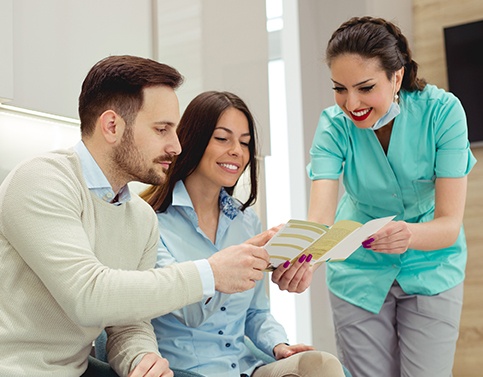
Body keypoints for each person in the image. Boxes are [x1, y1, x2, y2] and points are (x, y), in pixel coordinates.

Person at [0, 55, 272, 377]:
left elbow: (129, 322)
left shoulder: (140, 217)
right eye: (162, 130)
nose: (177, 146)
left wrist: (140, 359)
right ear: (112, 126)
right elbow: (88, 295)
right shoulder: (42, 180)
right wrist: (209, 273)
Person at [306, 16, 477, 377]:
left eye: (365, 88)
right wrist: (304, 256)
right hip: (357, 270)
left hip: (432, 265)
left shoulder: (442, 113)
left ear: (396, 76)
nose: (351, 104)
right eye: (339, 89)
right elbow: (320, 216)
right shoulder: (333, 126)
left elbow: (447, 224)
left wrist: (408, 235)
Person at [141, 91, 346, 377]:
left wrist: (279, 345)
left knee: (320, 366)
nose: (237, 150)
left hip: (246, 368)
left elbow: (256, 312)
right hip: (188, 371)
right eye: (223, 139)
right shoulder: (149, 222)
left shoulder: (247, 221)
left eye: (245, 142)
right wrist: (232, 263)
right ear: (192, 140)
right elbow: (190, 311)